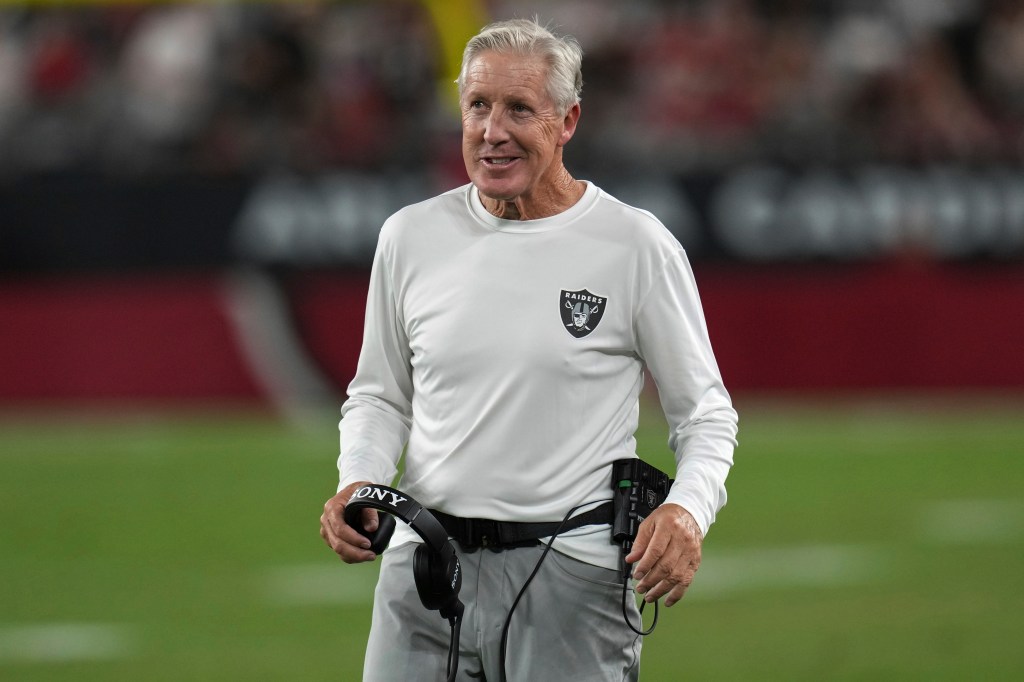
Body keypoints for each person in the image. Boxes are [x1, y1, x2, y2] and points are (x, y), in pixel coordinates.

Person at [320, 18, 738, 681]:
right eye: (478, 107)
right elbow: (379, 395)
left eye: (519, 109)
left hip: (571, 580)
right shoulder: (409, 237)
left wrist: (688, 511)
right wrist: (357, 480)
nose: (492, 132)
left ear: (567, 121)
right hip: (422, 571)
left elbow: (705, 415)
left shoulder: (635, 246)